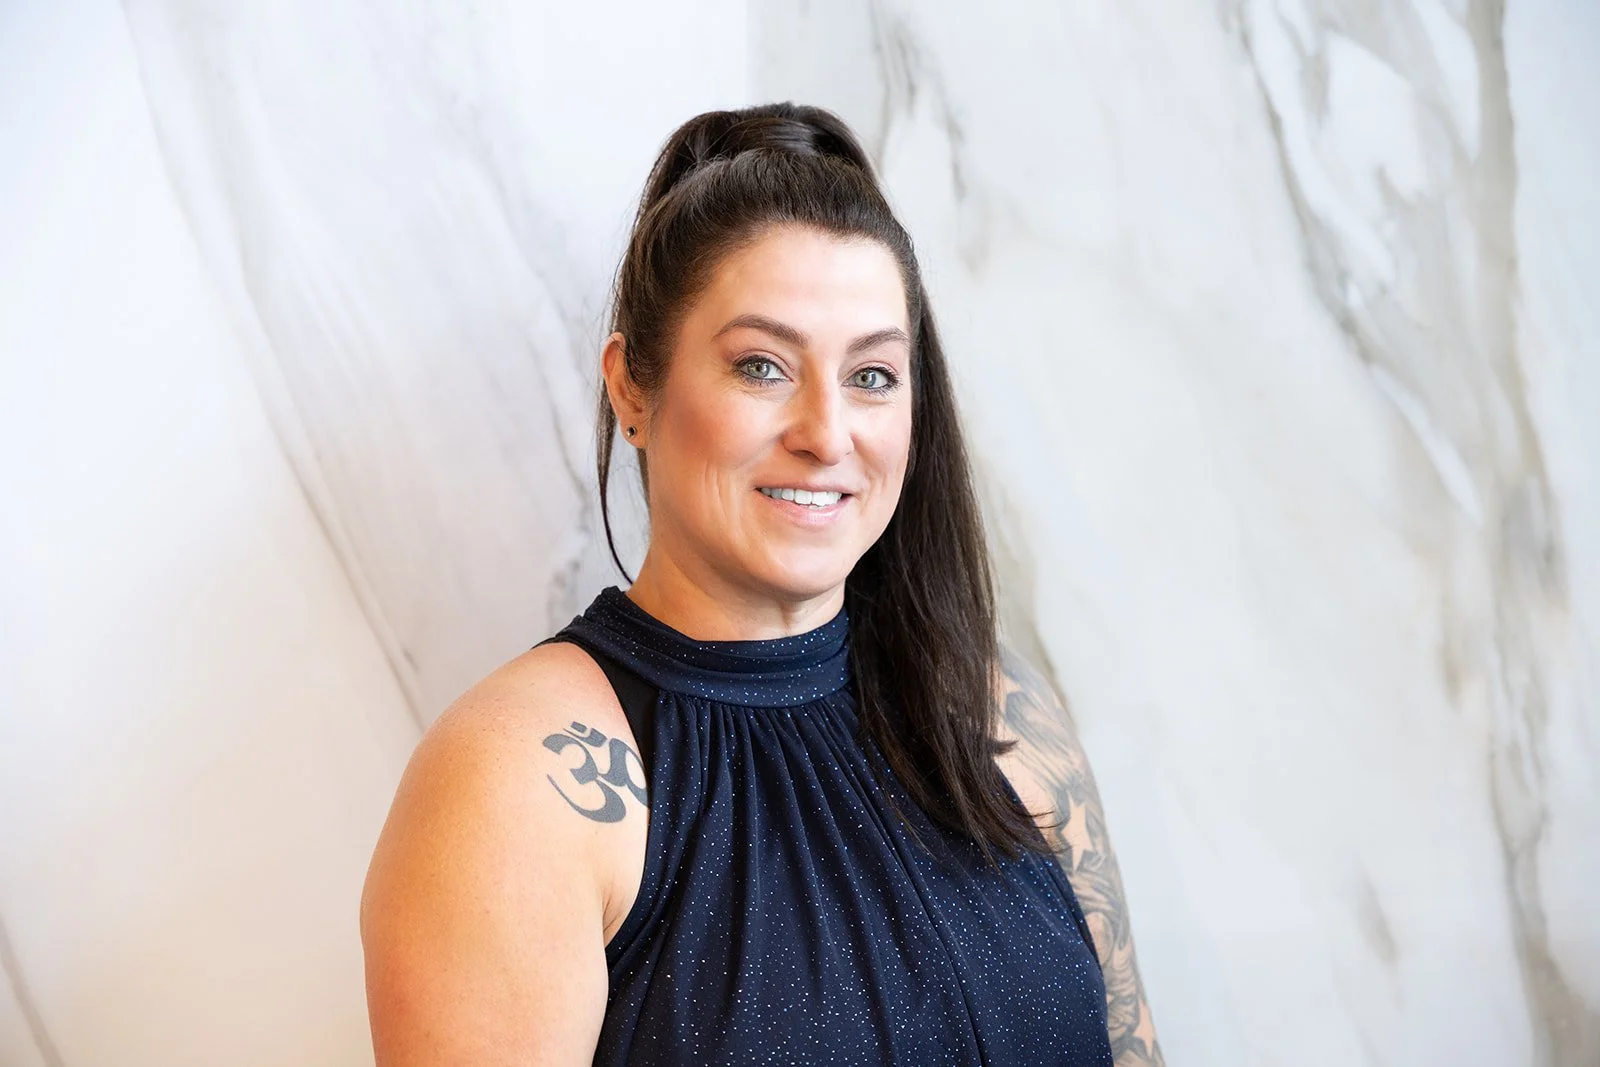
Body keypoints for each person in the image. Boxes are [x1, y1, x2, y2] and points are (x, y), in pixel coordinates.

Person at [360, 102, 1164, 1066]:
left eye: (872, 376)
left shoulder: (995, 703)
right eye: (762, 366)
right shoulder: (517, 783)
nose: (828, 433)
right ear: (632, 388)